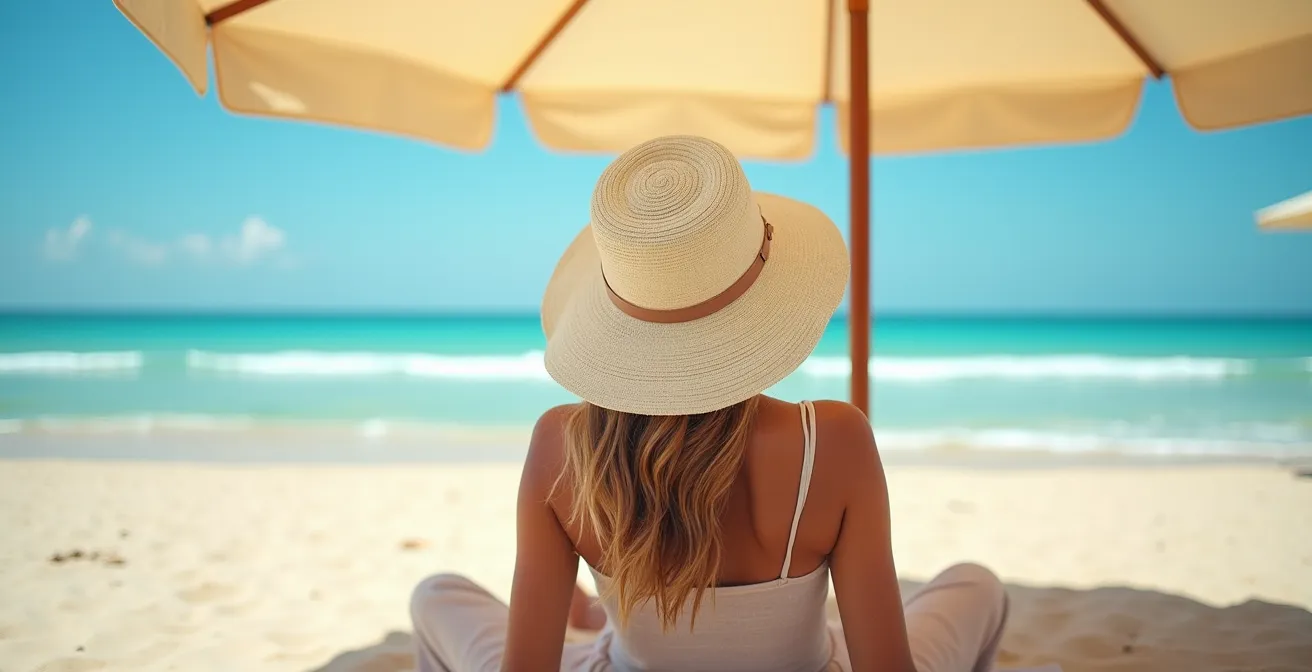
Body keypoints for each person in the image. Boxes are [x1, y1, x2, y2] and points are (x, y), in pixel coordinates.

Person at [410, 135, 1008, 672]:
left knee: (436, 595)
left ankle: (609, 620)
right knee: (976, 586)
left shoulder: (560, 444)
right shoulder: (834, 439)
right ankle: (608, 619)